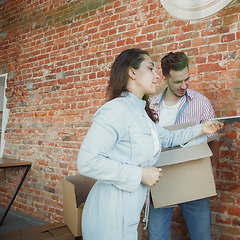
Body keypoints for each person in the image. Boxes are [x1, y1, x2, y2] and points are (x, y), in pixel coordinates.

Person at [76, 48, 223, 240]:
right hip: (109, 214)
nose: (156, 75)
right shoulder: (116, 110)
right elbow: (87, 162)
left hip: (128, 212)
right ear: (132, 72)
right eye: (150, 68)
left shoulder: (142, 112)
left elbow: (167, 138)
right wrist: (140, 174)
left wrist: (201, 129)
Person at [148, 52, 220, 240]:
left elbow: (214, 138)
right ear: (165, 78)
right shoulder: (151, 105)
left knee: (202, 235)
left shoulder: (201, 102)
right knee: (156, 235)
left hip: (194, 176)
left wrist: (213, 166)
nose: (184, 86)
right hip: (160, 178)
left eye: (187, 79)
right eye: (178, 81)